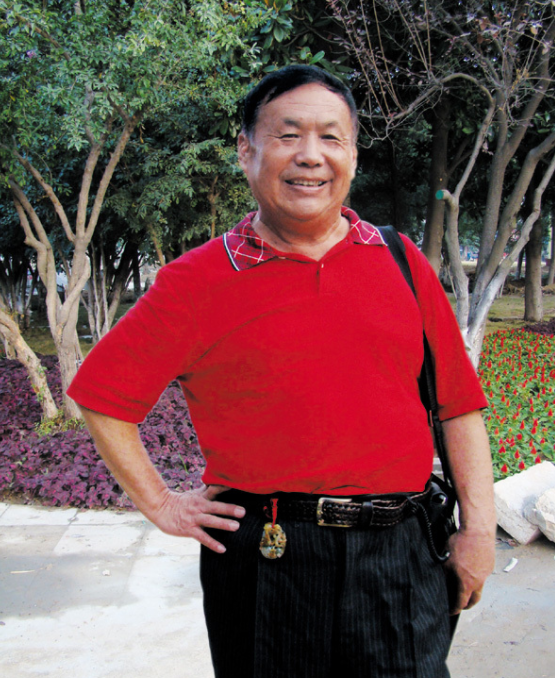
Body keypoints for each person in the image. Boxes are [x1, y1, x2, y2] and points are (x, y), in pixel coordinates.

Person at [68, 65, 496, 678]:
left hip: (401, 552)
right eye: (288, 135)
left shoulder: (402, 262)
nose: (311, 156)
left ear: (352, 155)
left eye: (331, 137)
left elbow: (458, 407)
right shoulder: (196, 281)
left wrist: (479, 531)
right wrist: (161, 503)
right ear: (247, 151)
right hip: (267, 558)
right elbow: (102, 396)